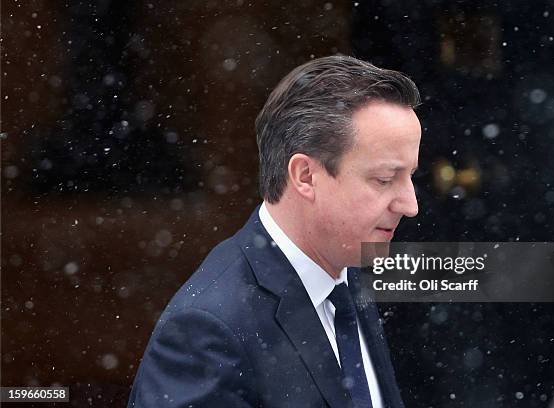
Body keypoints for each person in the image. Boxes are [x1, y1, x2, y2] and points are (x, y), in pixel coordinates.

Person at [128, 55, 422, 408]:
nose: (410, 204)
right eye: (385, 179)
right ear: (305, 176)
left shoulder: (349, 270)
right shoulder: (206, 331)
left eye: (411, 176)